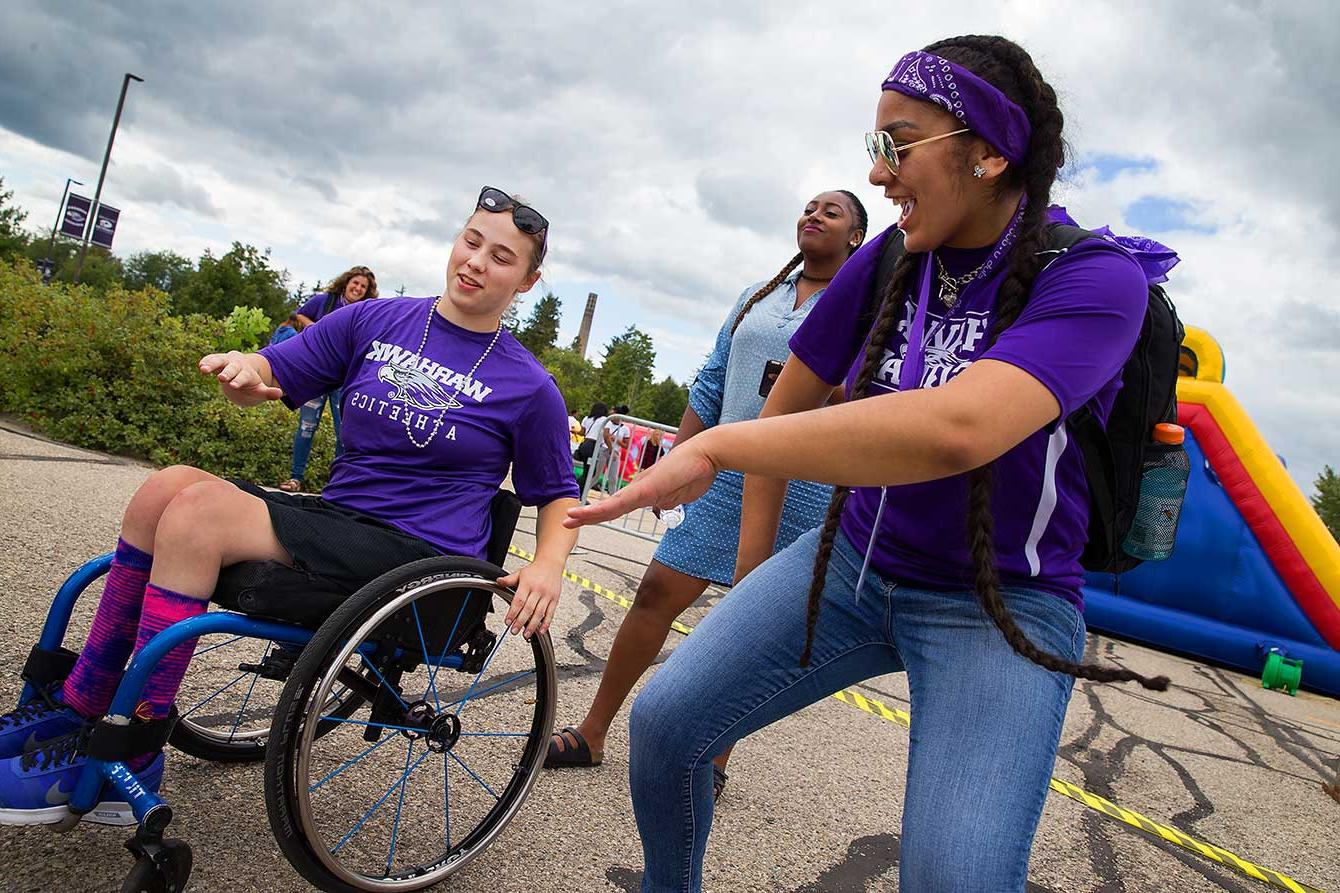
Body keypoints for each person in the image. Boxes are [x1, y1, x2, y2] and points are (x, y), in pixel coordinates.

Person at [566, 37, 1171, 892]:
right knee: (667, 724)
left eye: (897, 144)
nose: (880, 175)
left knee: (953, 875)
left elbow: (960, 428)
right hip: (852, 564)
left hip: (1002, 601)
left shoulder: (1095, 277)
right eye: (872, 149)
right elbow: (783, 422)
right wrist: (751, 578)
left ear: (991, 152)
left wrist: (713, 443)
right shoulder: (887, 260)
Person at [0, 186, 580, 824]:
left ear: (527, 280)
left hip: (415, 554)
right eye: (471, 241)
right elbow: (276, 372)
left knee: (197, 516)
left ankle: (133, 751)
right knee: (163, 488)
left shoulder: (530, 387)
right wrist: (246, 369)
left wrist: (548, 565)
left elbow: (555, 494)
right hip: (337, 519)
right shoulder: (375, 320)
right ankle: (79, 706)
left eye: (501, 257)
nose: (476, 262)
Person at [547, 190, 869, 802]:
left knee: (749, 624)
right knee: (655, 593)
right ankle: (593, 733)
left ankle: (715, 756)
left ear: (857, 237)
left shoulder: (865, 303)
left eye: (832, 212)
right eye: (808, 207)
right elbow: (716, 374)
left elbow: (870, 392)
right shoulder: (758, 296)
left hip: (808, 484)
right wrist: (678, 458)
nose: (813, 215)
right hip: (727, 469)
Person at [280, 265, 379, 493]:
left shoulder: (367, 312)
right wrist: (315, 328)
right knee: (306, 426)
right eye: (355, 283)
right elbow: (299, 313)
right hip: (316, 374)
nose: (358, 288)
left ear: (367, 291)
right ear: (346, 283)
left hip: (345, 378)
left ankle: (337, 483)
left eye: (363, 286)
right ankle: (295, 478)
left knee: (344, 430)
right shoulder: (325, 301)